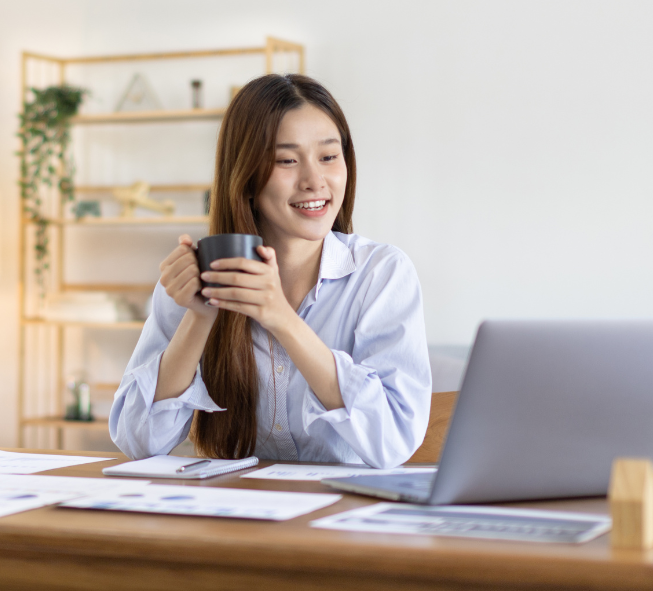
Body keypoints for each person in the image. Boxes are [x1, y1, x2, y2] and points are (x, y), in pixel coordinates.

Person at [109, 74, 431, 469]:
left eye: (329, 157)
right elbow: (137, 442)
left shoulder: (381, 275)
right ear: (245, 177)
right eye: (287, 160)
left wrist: (281, 318)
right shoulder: (199, 274)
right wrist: (200, 316)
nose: (315, 181)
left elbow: (394, 441)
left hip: (339, 521)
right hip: (231, 519)